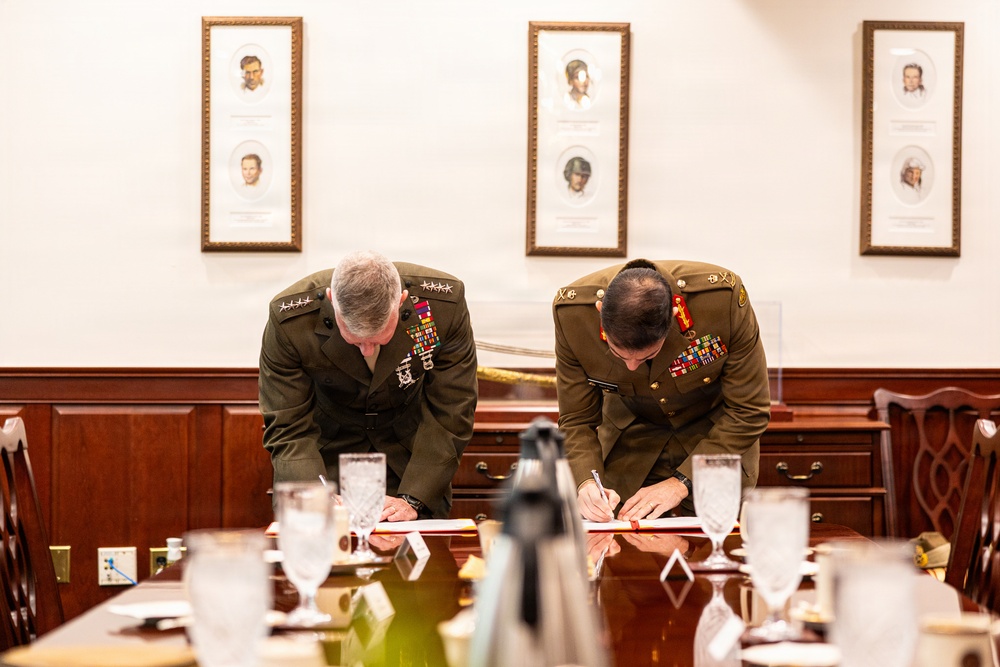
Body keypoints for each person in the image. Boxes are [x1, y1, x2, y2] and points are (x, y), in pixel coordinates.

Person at [259, 250, 479, 521]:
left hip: (414, 458)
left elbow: (452, 410)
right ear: (332, 301)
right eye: (354, 340)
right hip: (322, 458)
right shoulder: (290, 320)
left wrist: (414, 496)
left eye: (378, 339)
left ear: (401, 302)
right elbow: (287, 425)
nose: (366, 350)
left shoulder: (442, 307)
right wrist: (316, 494)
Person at [552, 258, 770, 522]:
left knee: (713, 546)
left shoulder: (720, 299)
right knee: (620, 551)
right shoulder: (573, 314)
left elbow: (749, 411)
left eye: (647, 355)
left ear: (674, 319)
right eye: (617, 354)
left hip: (716, 439)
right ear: (600, 311)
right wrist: (586, 481)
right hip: (630, 438)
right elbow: (577, 420)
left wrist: (681, 481)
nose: (631, 367)